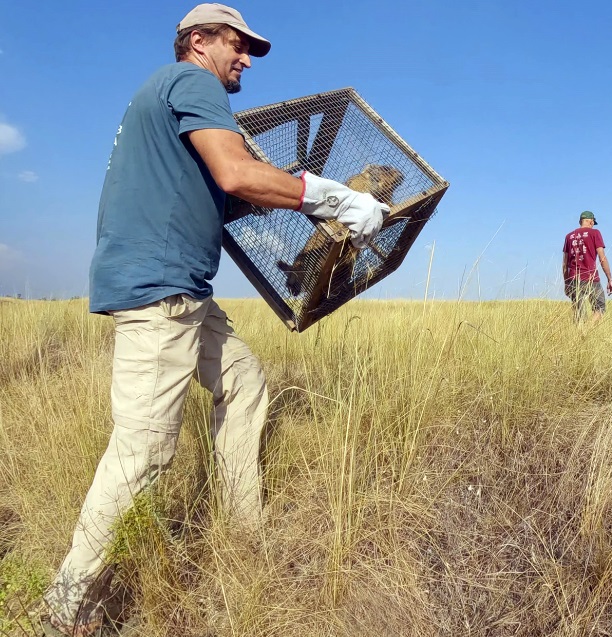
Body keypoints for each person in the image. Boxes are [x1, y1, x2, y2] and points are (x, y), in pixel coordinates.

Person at [40, 5, 389, 636]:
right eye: (239, 46)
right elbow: (236, 172)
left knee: (245, 383)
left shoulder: (163, 100)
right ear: (198, 42)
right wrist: (336, 196)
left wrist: (307, 208)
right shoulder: (191, 83)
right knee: (144, 450)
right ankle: (68, 604)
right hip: (161, 295)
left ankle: (242, 532)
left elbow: (230, 195)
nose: (247, 61)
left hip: (187, 296)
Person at [562, 211, 612, 324]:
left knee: (579, 312)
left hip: (573, 279)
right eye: (593, 223)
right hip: (590, 277)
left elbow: (565, 264)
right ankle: (588, 328)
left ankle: (580, 334)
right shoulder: (595, 233)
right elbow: (602, 257)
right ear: (590, 221)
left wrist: (566, 283)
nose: (593, 225)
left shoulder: (569, 236)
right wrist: (609, 279)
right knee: (600, 308)